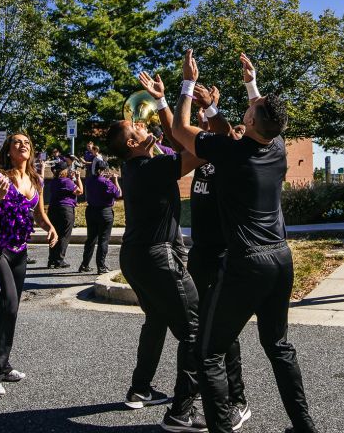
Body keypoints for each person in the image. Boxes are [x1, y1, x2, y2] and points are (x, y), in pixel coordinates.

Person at [171, 51, 317, 433]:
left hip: (246, 263)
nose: (248, 109)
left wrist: (188, 82)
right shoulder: (278, 147)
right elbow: (263, 112)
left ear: (251, 121)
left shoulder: (231, 153)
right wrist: (251, 81)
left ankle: (221, 426)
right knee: (279, 346)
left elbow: (179, 130)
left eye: (251, 108)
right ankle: (304, 427)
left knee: (208, 353)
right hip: (281, 258)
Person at [107, 70, 205, 433]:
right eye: (138, 129)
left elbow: (175, 146)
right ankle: (182, 412)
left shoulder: (136, 164)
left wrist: (164, 102)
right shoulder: (152, 166)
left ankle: (140, 387)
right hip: (158, 256)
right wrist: (188, 91)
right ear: (132, 144)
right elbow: (197, 149)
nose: (145, 127)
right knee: (195, 330)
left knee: (157, 319)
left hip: (135, 258)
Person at [186, 83, 251, 430]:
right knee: (200, 330)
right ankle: (207, 391)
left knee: (223, 331)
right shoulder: (208, 156)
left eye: (239, 132)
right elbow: (205, 133)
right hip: (200, 251)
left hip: (224, 254)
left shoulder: (236, 160)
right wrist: (207, 113)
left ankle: (236, 399)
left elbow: (226, 132)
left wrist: (213, 113)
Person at [0, 132, 59, 398]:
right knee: (6, 306)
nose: (23, 144)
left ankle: (3, 365)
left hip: (20, 252)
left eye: (27, 142)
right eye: (17, 142)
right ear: (8, 150)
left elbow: (39, 212)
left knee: (12, 311)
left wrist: (50, 228)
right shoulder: (0, 178)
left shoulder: (35, 180)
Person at [79, 159, 122, 274]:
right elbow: (118, 194)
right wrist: (115, 180)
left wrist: (106, 179)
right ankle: (101, 266)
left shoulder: (89, 180)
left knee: (91, 238)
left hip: (91, 210)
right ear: (104, 170)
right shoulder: (107, 182)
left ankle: (85, 264)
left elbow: (98, 184)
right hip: (104, 212)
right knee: (103, 240)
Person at [45, 161, 81, 269]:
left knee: (54, 233)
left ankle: (51, 259)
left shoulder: (54, 181)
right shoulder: (66, 181)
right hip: (65, 209)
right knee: (64, 235)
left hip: (53, 208)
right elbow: (80, 191)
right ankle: (59, 260)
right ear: (65, 171)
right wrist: (78, 178)